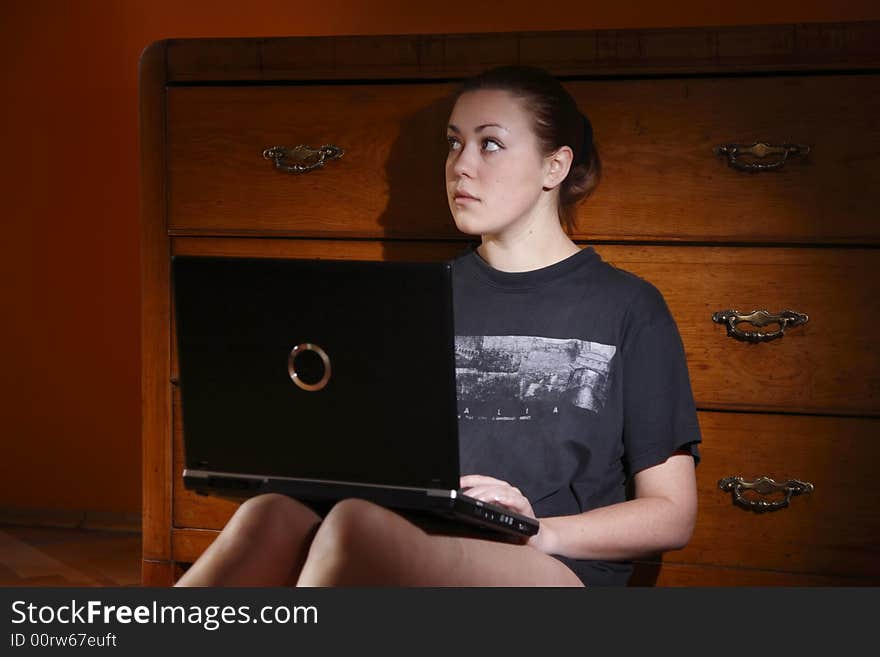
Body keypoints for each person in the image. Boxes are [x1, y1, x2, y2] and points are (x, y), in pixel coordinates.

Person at [175, 65, 701, 588]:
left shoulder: (628, 306)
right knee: (269, 515)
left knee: (354, 531)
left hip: (553, 564)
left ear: (554, 166)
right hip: (419, 537)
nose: (461, 166)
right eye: (453, 144)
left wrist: (540, 531)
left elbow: (672, 513)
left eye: (490, 144)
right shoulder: (417, 297)